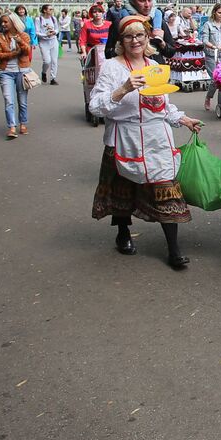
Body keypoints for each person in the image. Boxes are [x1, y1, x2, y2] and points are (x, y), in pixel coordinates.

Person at [89, 15, 201, 268]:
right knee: (123, 191)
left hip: (156, 139)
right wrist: (124, 89)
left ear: (147, 37)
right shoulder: (111, 67)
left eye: (140, 35)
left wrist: (183, 119)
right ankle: (123, 233)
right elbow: (96, 107)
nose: (135, 40)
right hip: (124, 139)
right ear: (121, 40)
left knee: (166, 191)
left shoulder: (155, 65)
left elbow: (163, 105)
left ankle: (174, 250)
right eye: (128, 36)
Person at [0, 12, 33, 140]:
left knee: (22, 101)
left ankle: (23, 123)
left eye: (6, 22)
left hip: (22, 70)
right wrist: (14, 54)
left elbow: (27, 51)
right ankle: (11, 127)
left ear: (13, 23)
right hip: (5, 71)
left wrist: (20, 41)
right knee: (8, 100)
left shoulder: (23, 35)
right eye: (2, 22)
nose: (3, 24)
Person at [35, 3, 61, 85]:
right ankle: (44, 72)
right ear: (44, 10)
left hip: (53, 41)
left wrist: (55, 32)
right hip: (44, 42)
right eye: (50, 9)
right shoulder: (38, 19)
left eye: (52, 9)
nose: (51, 11)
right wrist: (45, 35)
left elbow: (57, 28)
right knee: (47, 61)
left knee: (54, 61)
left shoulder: (53, 18)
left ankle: (53, 78)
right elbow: (37, 32)